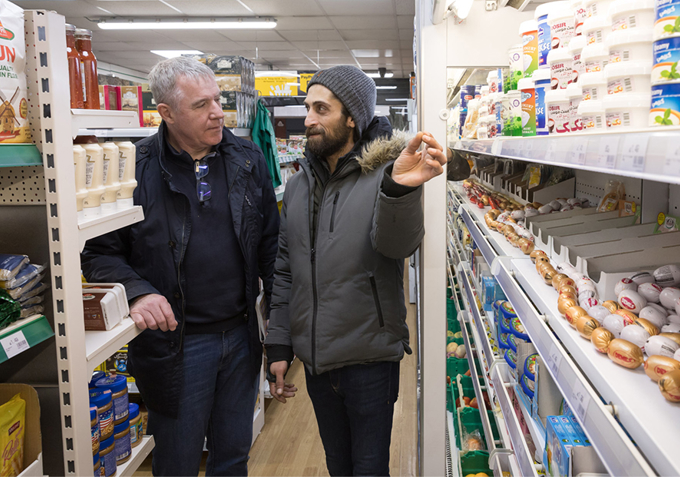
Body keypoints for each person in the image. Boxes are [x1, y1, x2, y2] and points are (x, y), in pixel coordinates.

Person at [81, 57, 280, 476]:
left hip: (241, 338)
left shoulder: (247, 159)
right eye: (199, 105)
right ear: (166, 113)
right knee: (177, 461)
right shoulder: (132, 171)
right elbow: (98, 253)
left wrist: (279, 335)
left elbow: (271, 247)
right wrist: (138, 291)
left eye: (217, 100)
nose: (216, 112)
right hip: (176, 346)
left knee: (233, 457)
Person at [264, 65, 446, 476]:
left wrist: (400, 190)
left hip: (368, 359)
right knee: (337, 466)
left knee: (368, 469)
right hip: (315, 360)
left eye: (321, 109)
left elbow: (398, 247)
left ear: (352, 117)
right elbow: (284, 270)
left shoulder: (388, 174)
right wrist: (279, 343)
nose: (308, 118)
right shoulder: (297, 186)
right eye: (307, 107)